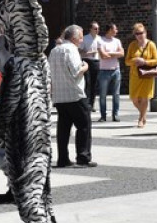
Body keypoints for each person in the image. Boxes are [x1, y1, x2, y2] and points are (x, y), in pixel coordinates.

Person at [48, 25, 95, 167]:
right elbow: (76, 72)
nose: (81, 40)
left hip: (59, 96)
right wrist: (85, 66)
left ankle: (63, 158)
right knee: (84, 126)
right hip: (75, 94)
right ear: (74, 38)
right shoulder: (71, 50)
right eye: (80, 37)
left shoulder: (54, 51)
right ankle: (83, 157)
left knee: (63, 128)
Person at [126, 23, 157, 129]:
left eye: (141, 33)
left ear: (145, 33)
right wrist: (135, 60)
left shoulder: (151, 45)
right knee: (134, 99)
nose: (140, 35)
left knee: (145, 98)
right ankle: (143, 114)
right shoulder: (132, 45)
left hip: (147, 75)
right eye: (137, 33)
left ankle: (141, 119)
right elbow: (127, 61)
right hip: (135, 75)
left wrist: (145, 62)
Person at [96, 23, 124, 122]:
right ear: (110, 30)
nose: (117, 31)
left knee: (116, 94)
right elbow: (103, 56)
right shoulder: (100, 41)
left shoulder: (117, 41)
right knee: (103, 95)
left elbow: (122, 53)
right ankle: (103, 115)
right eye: (115, 29)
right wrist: (115, 54)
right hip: (104, 71)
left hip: (116, 70)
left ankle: (115, 114)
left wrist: (110, 54)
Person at [78, 22, 101, 113]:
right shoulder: (85, 38)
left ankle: (92, 104)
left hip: (96, 61)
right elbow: (79, 51)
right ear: (90, 29)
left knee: (94, 84)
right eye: (95, 28)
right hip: (86, 61)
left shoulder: (99, 39)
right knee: (87, 82)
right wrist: (88, 53)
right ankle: (86, 103)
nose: (97, 30)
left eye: (98, 28)